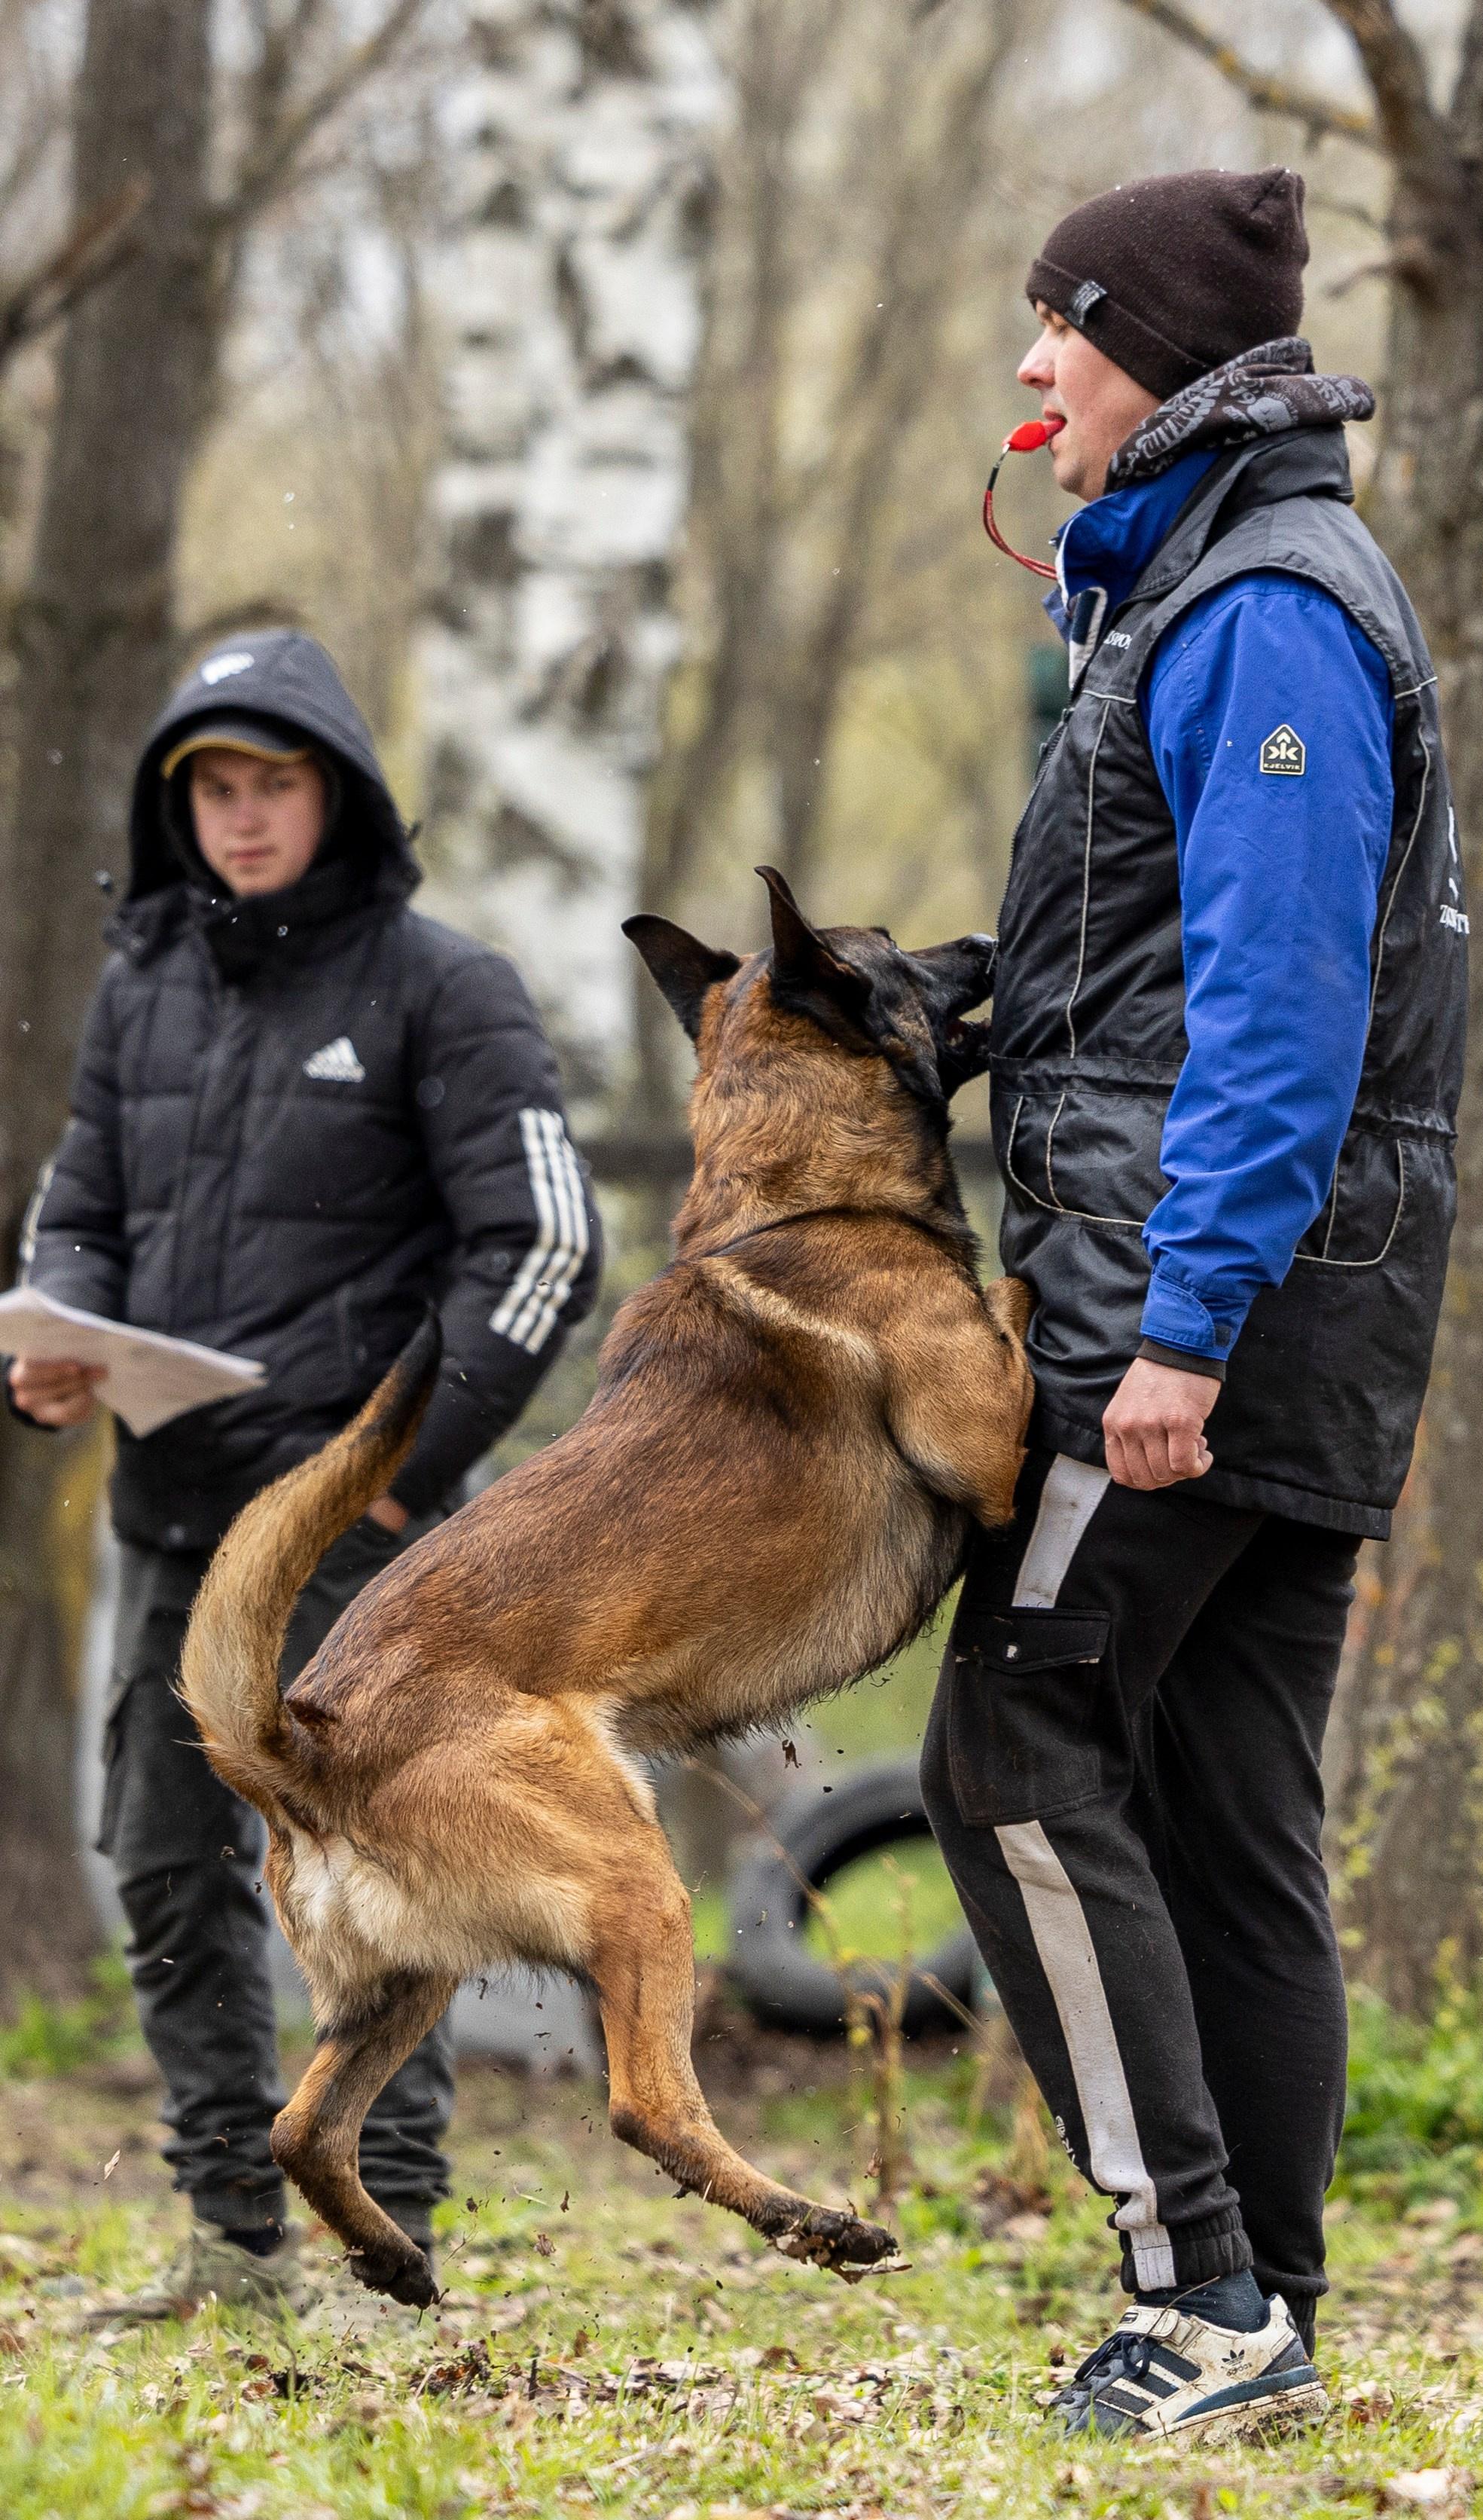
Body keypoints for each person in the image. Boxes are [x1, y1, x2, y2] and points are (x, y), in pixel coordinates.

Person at [921, 168, 1466, 2439]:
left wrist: (1176, 1327)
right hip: (1274, 1304)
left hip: (1201, 1313)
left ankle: (1199, 2291)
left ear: (1148, 350)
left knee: (1009, 1748)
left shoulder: (1260, 611)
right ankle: (1268, 2320)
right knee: (1230, 1813)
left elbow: (1277, 1006)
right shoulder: (1208, 586)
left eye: (1057, 329)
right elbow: (1136, 968)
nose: (1027, 367)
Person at [9, 629, 602, 2317]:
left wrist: (406, 1475)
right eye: (212, 785)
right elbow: (81, 1210)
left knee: (375, 1890)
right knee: (162, 1863)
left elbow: (546, 1241)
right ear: (177, 804)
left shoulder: (445, 986)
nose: (243, 813)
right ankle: (235, 2241)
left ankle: (377, 2242)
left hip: (356, 1539)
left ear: (336, 792)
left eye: (273, 780)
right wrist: (55, 1342)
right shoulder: (143, 985)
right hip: (173, 1517)